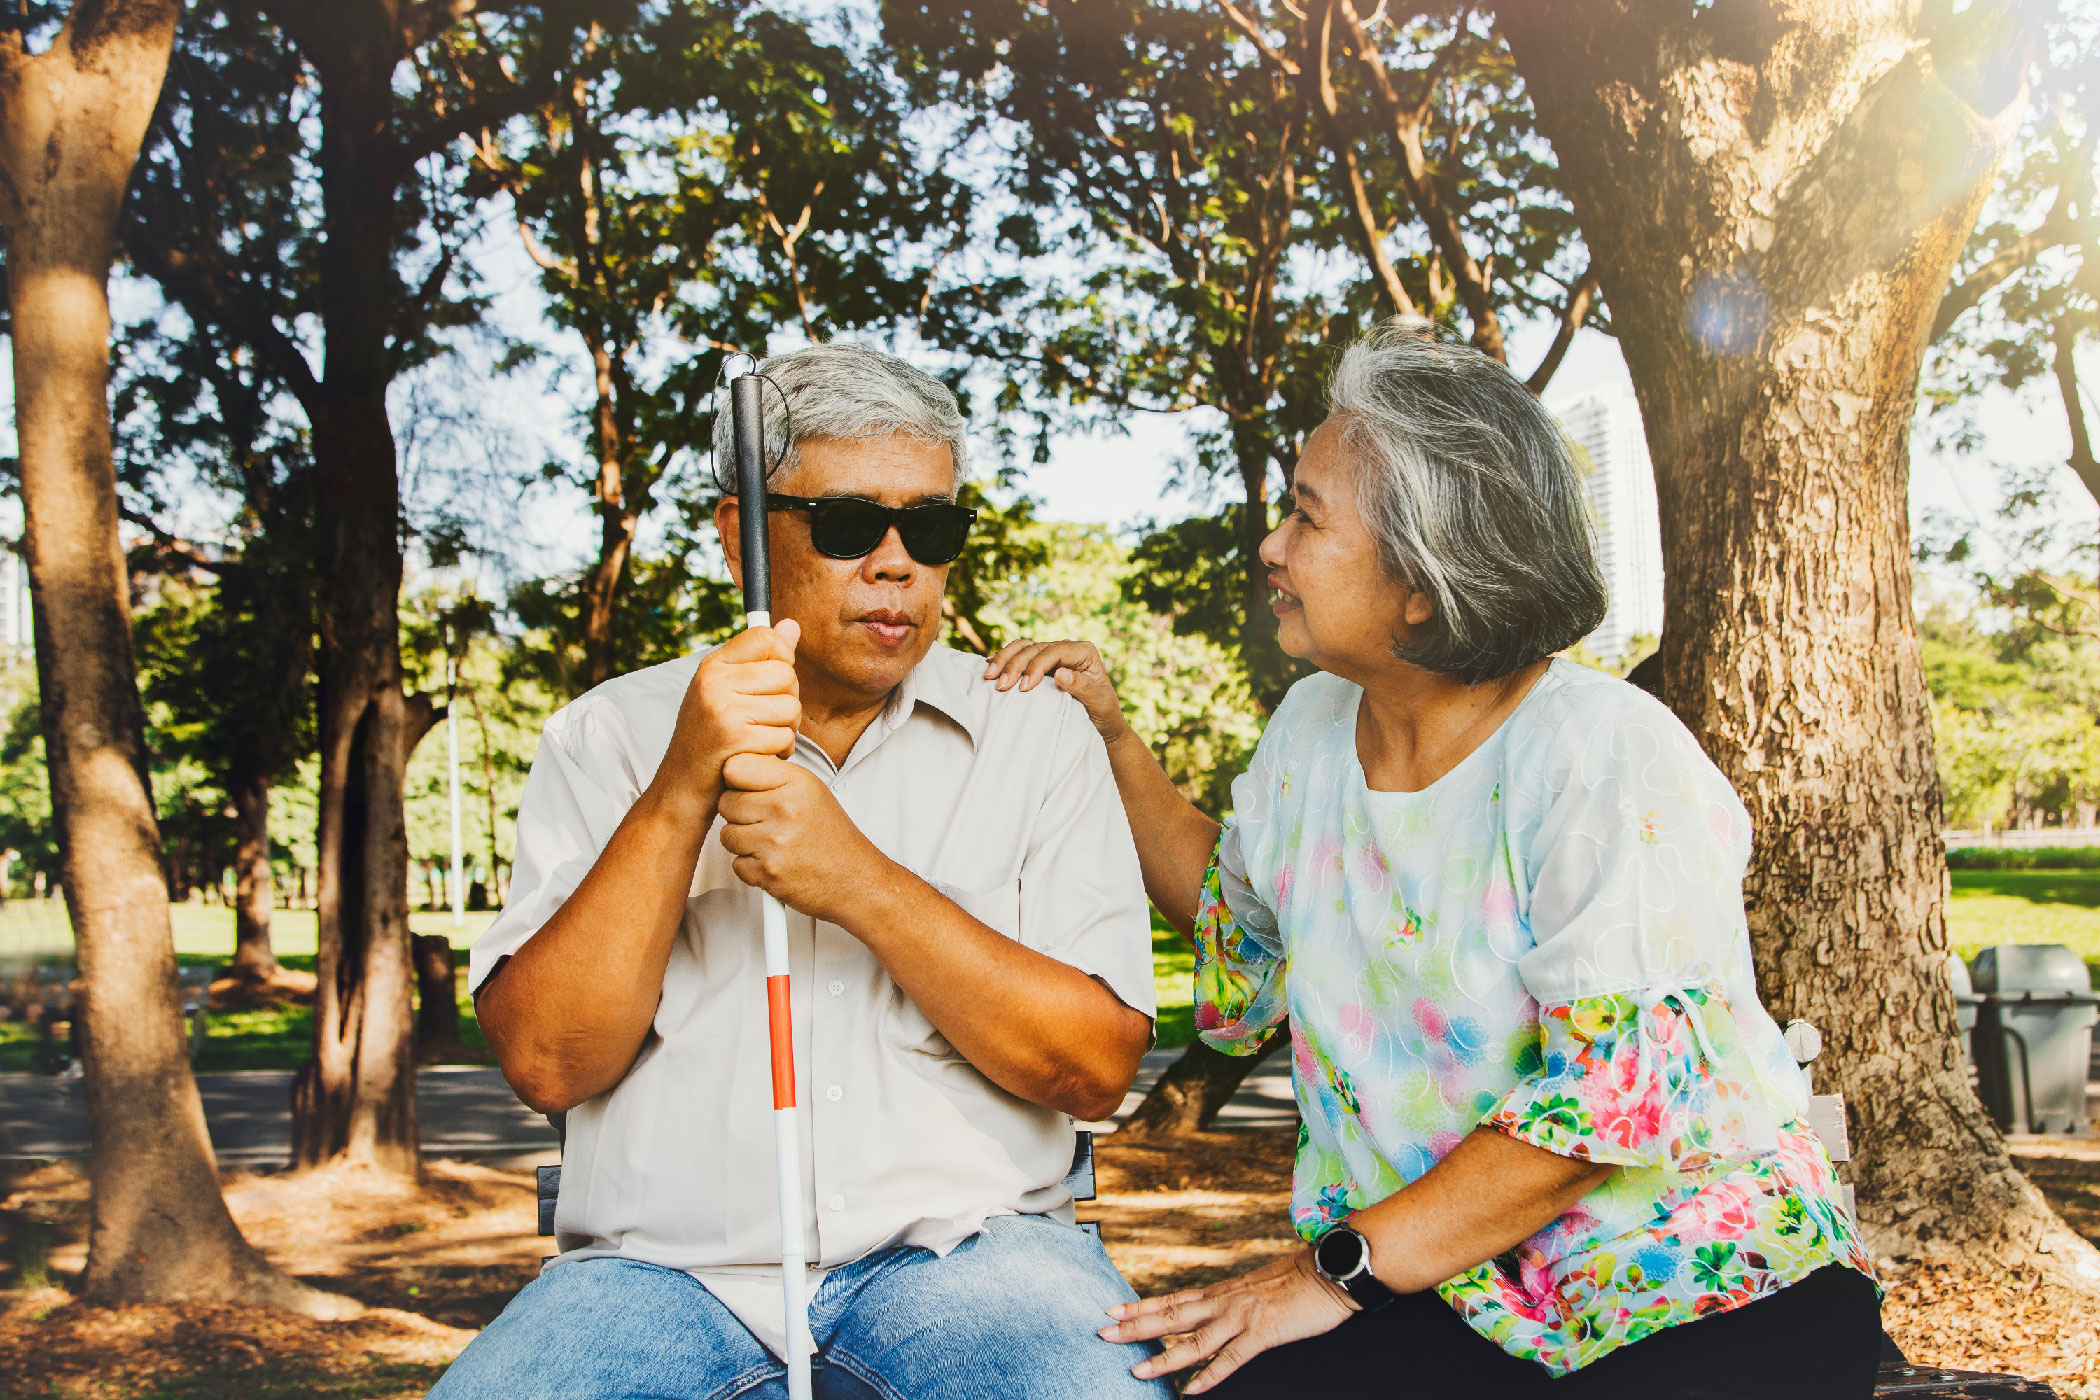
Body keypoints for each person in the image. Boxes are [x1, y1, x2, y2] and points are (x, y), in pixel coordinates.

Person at [984, 325, 1880, 1399]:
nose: (1271, 545)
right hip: (1447, 1292)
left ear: (1422, 581)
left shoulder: (1605, 753)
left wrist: (1329, 1271)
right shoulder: (1313, 727)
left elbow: (1608, 1107)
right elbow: (1241, 928)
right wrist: (1114, 740)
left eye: (1307, 515)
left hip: (1693, 1285)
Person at [432, 343, 1170, 1400]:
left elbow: (1094, 1066)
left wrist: (858, 880)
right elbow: (549, 1061)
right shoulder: (604, 736)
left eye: (932, 525)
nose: (895, 561)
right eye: (845, 524)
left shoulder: (1037, 736)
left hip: (973, 1256)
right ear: (741, 538)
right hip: (656, 1271)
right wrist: (684, 781)